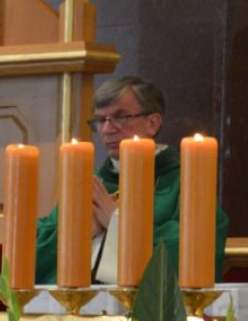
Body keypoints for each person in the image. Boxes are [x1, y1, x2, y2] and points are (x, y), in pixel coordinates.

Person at [35, 76, 229, 284]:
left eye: (121, 117)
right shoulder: (93, 185)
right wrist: (78, 231)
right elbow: (33, 251)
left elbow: (196, 252)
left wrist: (117, 223)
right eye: (100, 120)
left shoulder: (187, 184)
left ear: (152, 123)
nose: (107, 130)